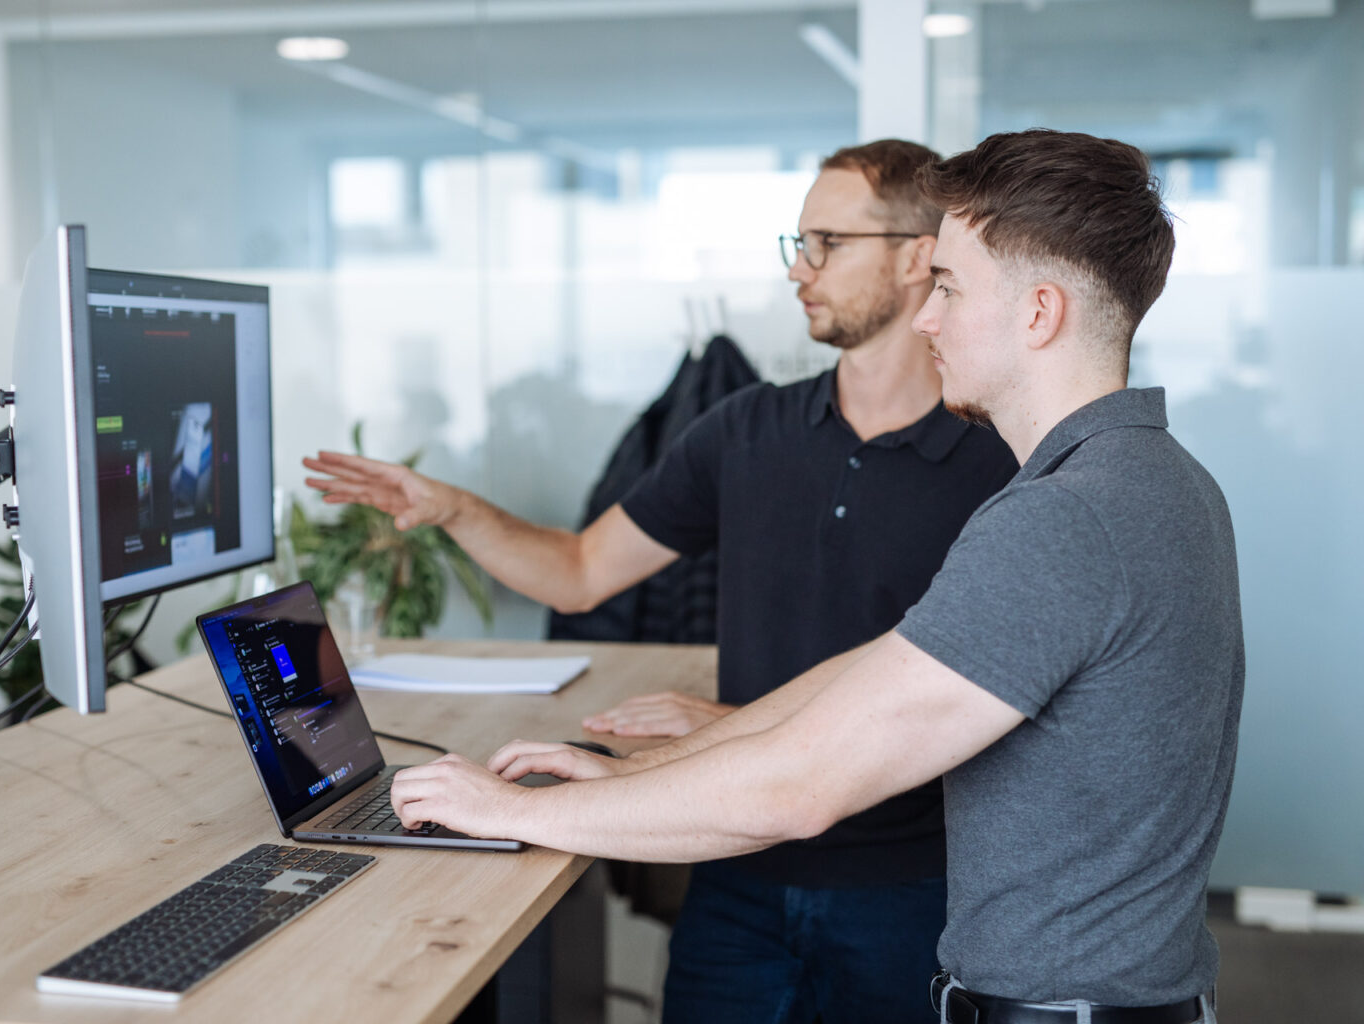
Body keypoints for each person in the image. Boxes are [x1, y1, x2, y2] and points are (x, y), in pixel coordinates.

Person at [387, 129, 1243, 1024]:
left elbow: (803, 786)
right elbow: (878, 672)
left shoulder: (1063, 520)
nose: (927, 317)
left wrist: (515, 812)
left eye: (950, 287)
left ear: (1038, 313)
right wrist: (642, 776)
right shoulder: (1157, 481)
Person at [305, 139, 1017, 1024]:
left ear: (919, 255)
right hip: (734, 866)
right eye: (795, 243)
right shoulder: (747, 429)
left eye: (828, 243)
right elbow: (578, 574)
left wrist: (737, 724)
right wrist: (452, 508)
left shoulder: (1000, 460)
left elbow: (990, 705)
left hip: (913, 888)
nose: (800, 269)